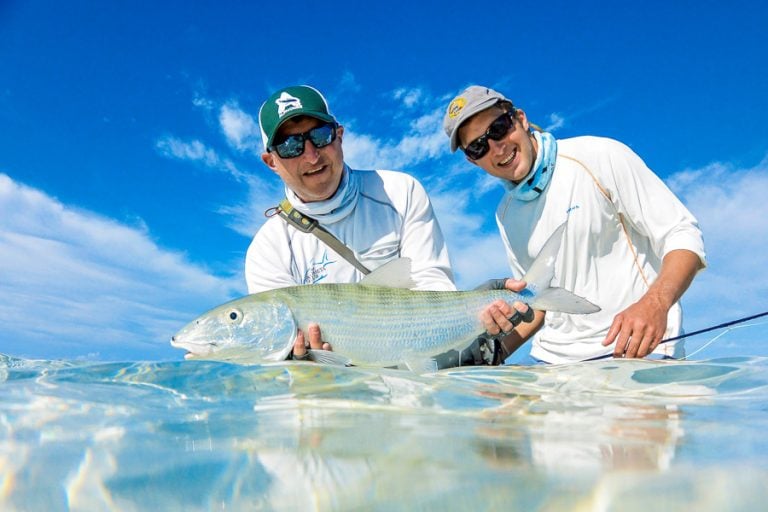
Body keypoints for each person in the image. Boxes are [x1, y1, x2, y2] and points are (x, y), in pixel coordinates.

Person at [245, 84, 528, 365]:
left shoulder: (399, 192)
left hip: (413, 385)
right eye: (290, 146)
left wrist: (478, 308)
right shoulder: (268, 248)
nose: (311, 155)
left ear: (339, 136)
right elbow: (278, 356)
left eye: (320, 136)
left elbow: (430, 282)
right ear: (271, 162)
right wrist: (304, 361)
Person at [442, 85, 707, 364]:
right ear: (473, 161)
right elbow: (539, 302)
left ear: (519, 119)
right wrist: (493, 353)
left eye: (498, 128)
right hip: (554, 367)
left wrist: (656, 303)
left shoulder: (599, 155)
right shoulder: (505, 214)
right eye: (478, 146)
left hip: (638, 352)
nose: (496, 147)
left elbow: (682, 234)